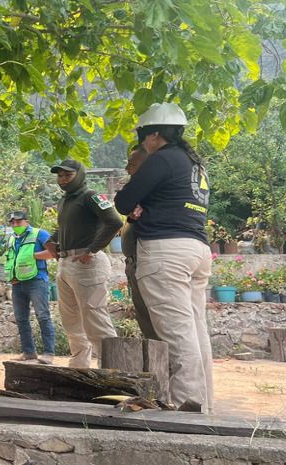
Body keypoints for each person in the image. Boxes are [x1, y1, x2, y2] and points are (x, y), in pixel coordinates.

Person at [114, 102, 213, 413]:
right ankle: (204, 404)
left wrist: (137, 205)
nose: (144, 144)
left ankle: (187, 408)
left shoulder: (162, 159)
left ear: (154, 135)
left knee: (177, 334)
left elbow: (123, 200)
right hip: (196, 249)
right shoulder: (194, 163)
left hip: (165, 251)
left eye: (144, 137)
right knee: (196, 330)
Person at [51, 159, 122, 369]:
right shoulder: (65, 201)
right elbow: (67, 227)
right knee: (71, 322)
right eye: (60, 175)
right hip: (66, 263)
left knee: (95, 320)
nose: (63, 179)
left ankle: (113, 371)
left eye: (68, 175)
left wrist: (92, 249)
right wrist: (52, 240)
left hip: (88, 263)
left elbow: (115, 221)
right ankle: (78, 370)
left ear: (80, 175)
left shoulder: (91, 196)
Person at [3, 210, 56, 363]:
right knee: (21, 318)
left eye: (18, 222)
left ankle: (48, 353)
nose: (15, 225)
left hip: (37, 281)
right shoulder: (12, 238)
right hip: (17, 283)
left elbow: (53, 252)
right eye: (12, 222)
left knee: (43, 316)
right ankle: (28, 352)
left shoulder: (39, 234)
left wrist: (34, 255)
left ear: (26, 221)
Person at [121, 145, 160, 341]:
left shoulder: (156, 193)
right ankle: (156, 365)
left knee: (157, 320)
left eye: (132, 164)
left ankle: (166, 366)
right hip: (134, 262)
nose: (128, 169)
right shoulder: (139, 195)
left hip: (147, 261)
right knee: (145, 318)